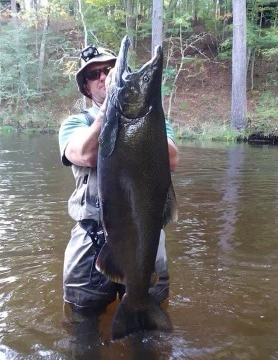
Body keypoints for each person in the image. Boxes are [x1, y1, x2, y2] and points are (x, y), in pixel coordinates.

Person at [58, 44, 179, 321]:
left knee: (148, 328)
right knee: (81, 325)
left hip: (145, 237)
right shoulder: (75, 123)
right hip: (92, 239)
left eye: (109, 70)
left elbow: (171, 160)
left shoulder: (154, 120)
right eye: (94, 74)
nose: (103, 77)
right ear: (86, 87)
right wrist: (109, 110)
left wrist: (146, 121)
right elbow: (86, 154)